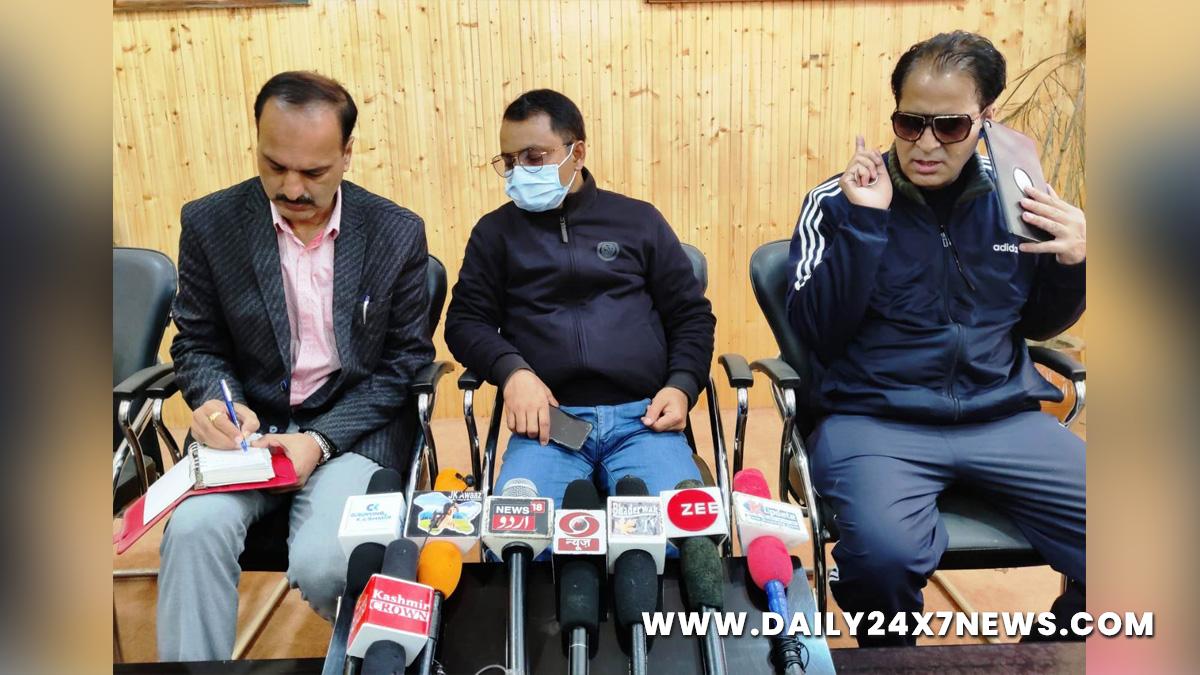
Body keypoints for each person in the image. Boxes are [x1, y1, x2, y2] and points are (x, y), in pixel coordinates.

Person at [787, 32, 1086, 646]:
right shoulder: (836, 201)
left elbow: (1038, 325)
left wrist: (1074, 262)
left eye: (949, 126)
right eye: (910, 122)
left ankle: (1043, 655)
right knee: (883, 559)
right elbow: (817, 331)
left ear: (986, 118)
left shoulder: (1019, 198)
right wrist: (866, 223)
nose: (925, 144)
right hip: (875, 420)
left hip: (1002, 416)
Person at [157, 71, 434, 660]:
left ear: (347, 155)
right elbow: (197, 343)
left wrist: (319, 440)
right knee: (192, 532)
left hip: (351, 431)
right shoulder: (211, 224)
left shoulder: (395, 232)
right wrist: (217, 403)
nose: (291, 187)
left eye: (313, 172)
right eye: (274, 165)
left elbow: (405, 364)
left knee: (329, 561)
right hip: (248, 436)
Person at [445, 89, 715, 507]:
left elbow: (691, 315)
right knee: (520, 538)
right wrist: (512, 372)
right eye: (510, 161)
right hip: (547, 424)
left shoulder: (639, 221)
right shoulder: (495, 234)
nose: (519, 171)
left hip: (644, 421)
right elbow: (465, 322)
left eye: (533, 157)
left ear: (578, 153)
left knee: (682, 534)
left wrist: (681, 386)